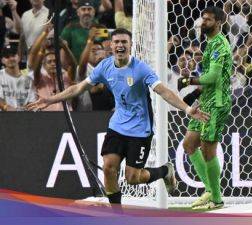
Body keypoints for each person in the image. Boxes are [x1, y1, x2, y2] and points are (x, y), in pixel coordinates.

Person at [27, 28, 210, 205]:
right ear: (111, 46)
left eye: (124, 42)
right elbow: (78, 88)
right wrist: (50, 100)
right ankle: (117, 215)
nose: (120, 45)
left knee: (133, 178)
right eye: (116, 42)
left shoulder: (140, 69)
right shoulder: (105, 66)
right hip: (117, 126)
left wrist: (187, 109)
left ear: (130, 45)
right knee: (108, 168)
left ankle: (164, 171)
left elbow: (163, 91)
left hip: (140, 129)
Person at [177, 6, 233, 210]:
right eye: (203, 19)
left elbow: (213, 77)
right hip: (207, 100)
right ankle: (210, 190)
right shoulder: (209, 42)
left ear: (219, 23)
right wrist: (196, 94)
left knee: (208, 150)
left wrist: (188, 80)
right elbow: (209, 80)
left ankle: (217, 199)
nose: (204, 23)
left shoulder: (219, 45)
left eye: (208, 20)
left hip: (217, 103)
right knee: (189, 144)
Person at [0, 45, 36, 111]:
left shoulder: (29, 79)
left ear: (19, 58)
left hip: (24, 117)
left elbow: (32, 101)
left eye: (13, 55)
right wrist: (5, 107)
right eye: (7, 57)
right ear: (2, 60)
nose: (11, 59)